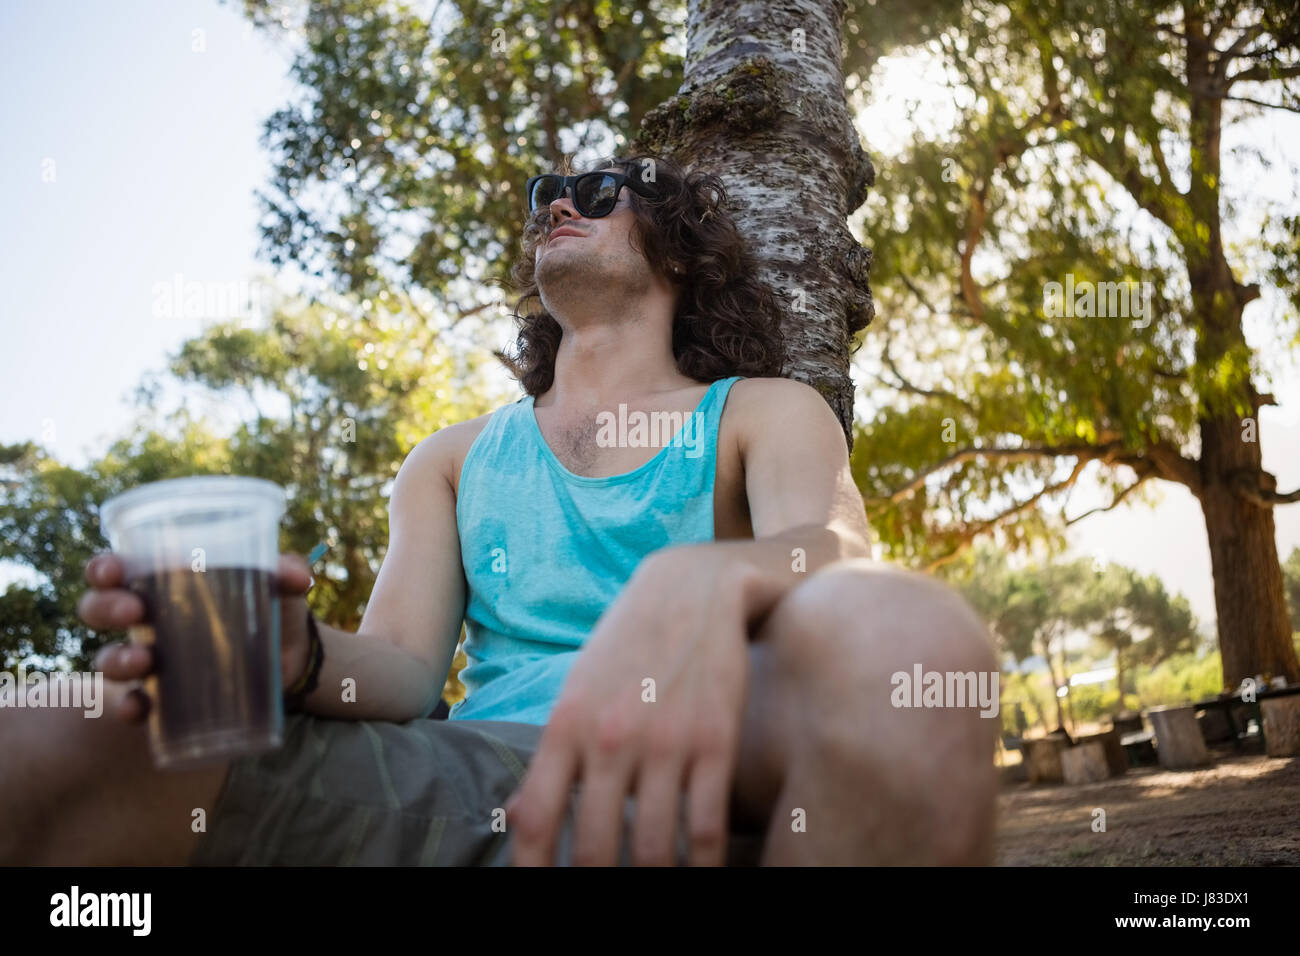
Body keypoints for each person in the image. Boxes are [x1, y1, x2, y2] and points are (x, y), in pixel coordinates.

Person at [1, 153, 998, 866]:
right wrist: (296, 656)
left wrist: (703, 569)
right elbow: (394, 672)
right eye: (545, 196)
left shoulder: (760, 410)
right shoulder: (453, 457)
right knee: (46, 728)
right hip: (469, 773)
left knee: (914, 639)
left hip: (713, 753)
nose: (560, 203)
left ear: (681, 256)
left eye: (599, 192)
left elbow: (831, 551)